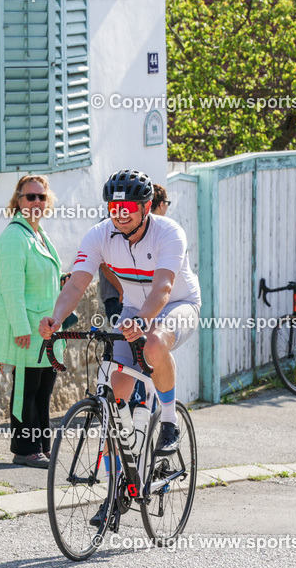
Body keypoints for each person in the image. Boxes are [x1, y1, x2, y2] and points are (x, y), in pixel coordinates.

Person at [39, 170, 200, 522]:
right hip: (131, 310)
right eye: (114, 206)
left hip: (177, 305)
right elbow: (76, 284)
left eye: (127, 206)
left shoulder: (168, 233)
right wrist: (55, 318)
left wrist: (142, 322)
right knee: (115, 398)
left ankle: (170, 422)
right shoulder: (100, 234)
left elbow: (163, 290)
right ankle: (118, 490)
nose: (120, 213)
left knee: (155, 344)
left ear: (145, 207)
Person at [0, 175, 64, 468]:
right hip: (28, 327)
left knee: (43, 391)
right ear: (18, 201)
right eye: (30, 197)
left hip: (47, 330)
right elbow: (12, 289)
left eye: (42, 197)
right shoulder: (14, 237)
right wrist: (20, 329)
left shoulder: (38, 234)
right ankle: (25, 449)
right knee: (26, 391)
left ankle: (42, 446)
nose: (37, 202)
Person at [96, 184, 171, 327]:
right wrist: (122, 290)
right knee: (127, 343)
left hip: (142, 299)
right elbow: (103, 264)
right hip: (118, 296)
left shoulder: (159, 230)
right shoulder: (109, 224)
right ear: (160, 204)